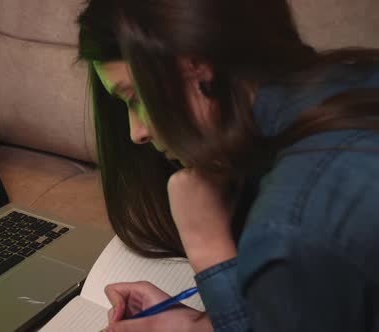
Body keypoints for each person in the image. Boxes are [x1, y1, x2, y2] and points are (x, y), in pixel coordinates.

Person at [76, 0, 379, 331]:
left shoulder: (286, 231)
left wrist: (207, 244)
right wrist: (197, 325)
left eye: (135, 98)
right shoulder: (353, 76)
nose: (137, 132)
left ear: (198, 70)